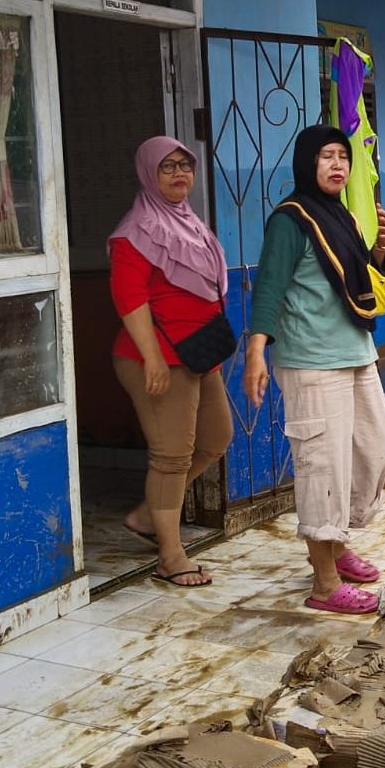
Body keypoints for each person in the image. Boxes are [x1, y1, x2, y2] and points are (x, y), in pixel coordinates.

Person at [243, 124, 385, 615]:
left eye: (342, 157)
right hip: (310, 359)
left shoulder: (343, 216)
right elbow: (268, 286)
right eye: (326, 156)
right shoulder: (290, 220)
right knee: (322, 466)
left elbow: (360, 280)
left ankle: (338, 543)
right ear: (307, 163)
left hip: (355, 351)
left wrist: (378, 250)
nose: (337, 165)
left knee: (372, 452)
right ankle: (325, 583)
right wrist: (256, 352)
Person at [109, 136, 233, 587]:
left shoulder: (189, 224)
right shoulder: (134, 231)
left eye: (185, 165)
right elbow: (130, 298)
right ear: (148, 173)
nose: (180, 174)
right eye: (167, 167)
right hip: (154, 357)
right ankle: (170, 554)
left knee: (217, 437)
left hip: (198, 353)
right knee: (171, 458)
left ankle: (147, 514)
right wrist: (152, 359)